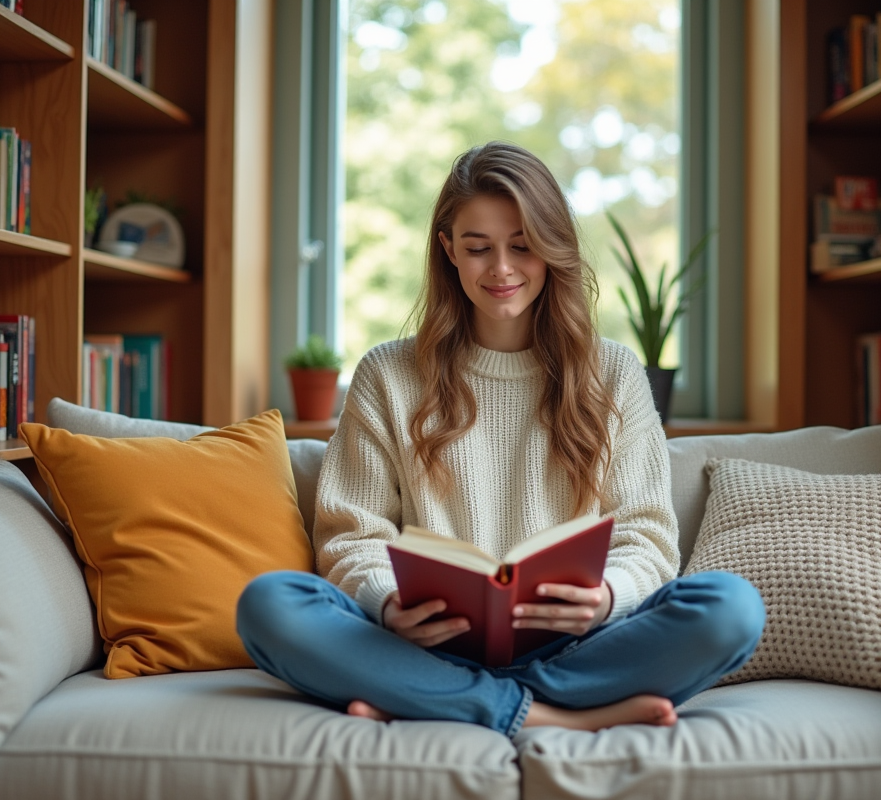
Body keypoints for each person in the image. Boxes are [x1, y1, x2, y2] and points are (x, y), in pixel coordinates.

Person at [236, 141, 764, 736]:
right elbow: (350, 534)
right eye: (478, 248)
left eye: (523, 246)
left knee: (730, 608)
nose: (502, 269)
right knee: (270, 604)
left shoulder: (613, 372)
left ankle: (429, 700)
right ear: (448, 251)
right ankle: (547, 715)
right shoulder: (387, 374)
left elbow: (647, 535)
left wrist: (608, 597)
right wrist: (388, 602)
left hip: (578, 646)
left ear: (553, 248)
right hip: (421, 645)